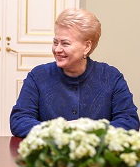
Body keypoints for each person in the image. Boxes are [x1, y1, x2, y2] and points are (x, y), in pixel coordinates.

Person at [10, 8, 140, 137]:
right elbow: (19, 120)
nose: (57, 49)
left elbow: (129, 121)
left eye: (65, 43)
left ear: (87, 47)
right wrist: (61, 130)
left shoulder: (111, 77)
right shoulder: (38, 76)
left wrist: (87, 131)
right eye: (55, 42)